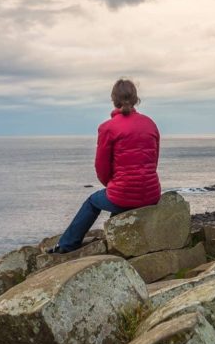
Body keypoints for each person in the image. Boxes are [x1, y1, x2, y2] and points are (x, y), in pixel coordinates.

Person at [47, 79, 161, 254]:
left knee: (93, 202)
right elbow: (154, 161)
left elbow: (101, 167)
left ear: (114, 99)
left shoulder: (108, 127)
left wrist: (112, 185)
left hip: (123, 194)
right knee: (119, 200)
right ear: (136, 98)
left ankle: (66, 245)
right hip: (152, 194)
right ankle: (118, 241)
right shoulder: (150, 123)